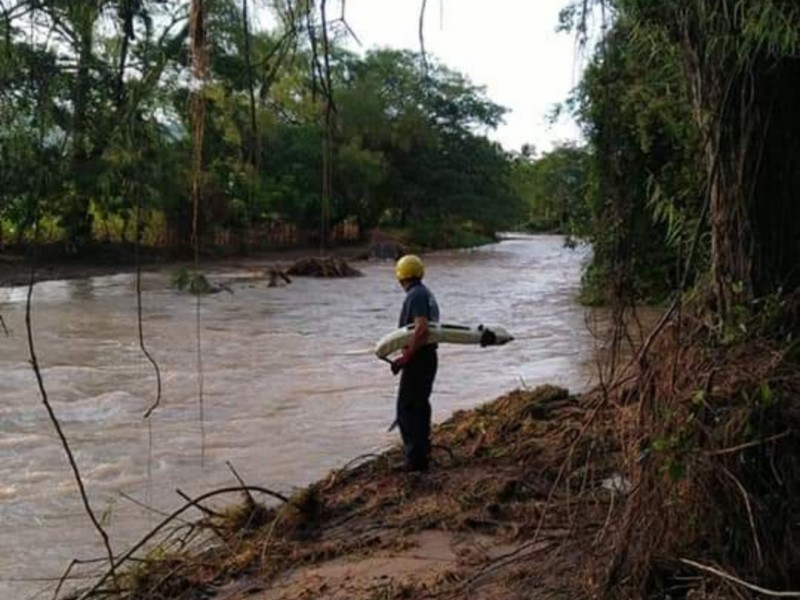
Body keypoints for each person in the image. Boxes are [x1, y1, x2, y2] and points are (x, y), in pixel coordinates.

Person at [390, 254, 440, 472]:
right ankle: (421, 453)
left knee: (408, 409)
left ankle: (415, 460)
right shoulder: (426, 293)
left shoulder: (415, 296)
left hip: (419, 359)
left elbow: (421, 328)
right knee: (419, 406)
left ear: (401, 276)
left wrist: (406, 358)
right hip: (427, 357)